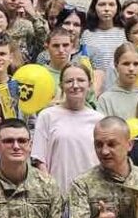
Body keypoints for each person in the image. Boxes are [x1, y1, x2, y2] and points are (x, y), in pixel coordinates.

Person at [32, 64, 101, 192]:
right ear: (61, 86)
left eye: (81, 80)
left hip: (90, 194)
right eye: (69, 81)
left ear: (89, 84)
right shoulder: (47, 116)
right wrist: (50, 190)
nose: (75, 85)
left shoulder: (99, 120)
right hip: (58, 194)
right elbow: (39, 160)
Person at [81, 0, 128, 90]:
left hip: (118, 87)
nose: (107, 9)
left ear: (117, 8)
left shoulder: (124, 33)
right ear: (94, 8)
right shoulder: (86, 34)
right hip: (93, 87)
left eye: (111, 5)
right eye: (102, 5)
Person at [97, 42, 138, 121]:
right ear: (116, 65)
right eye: (126, 64)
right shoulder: (106, 99)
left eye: (136, 64)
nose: (131, 69)